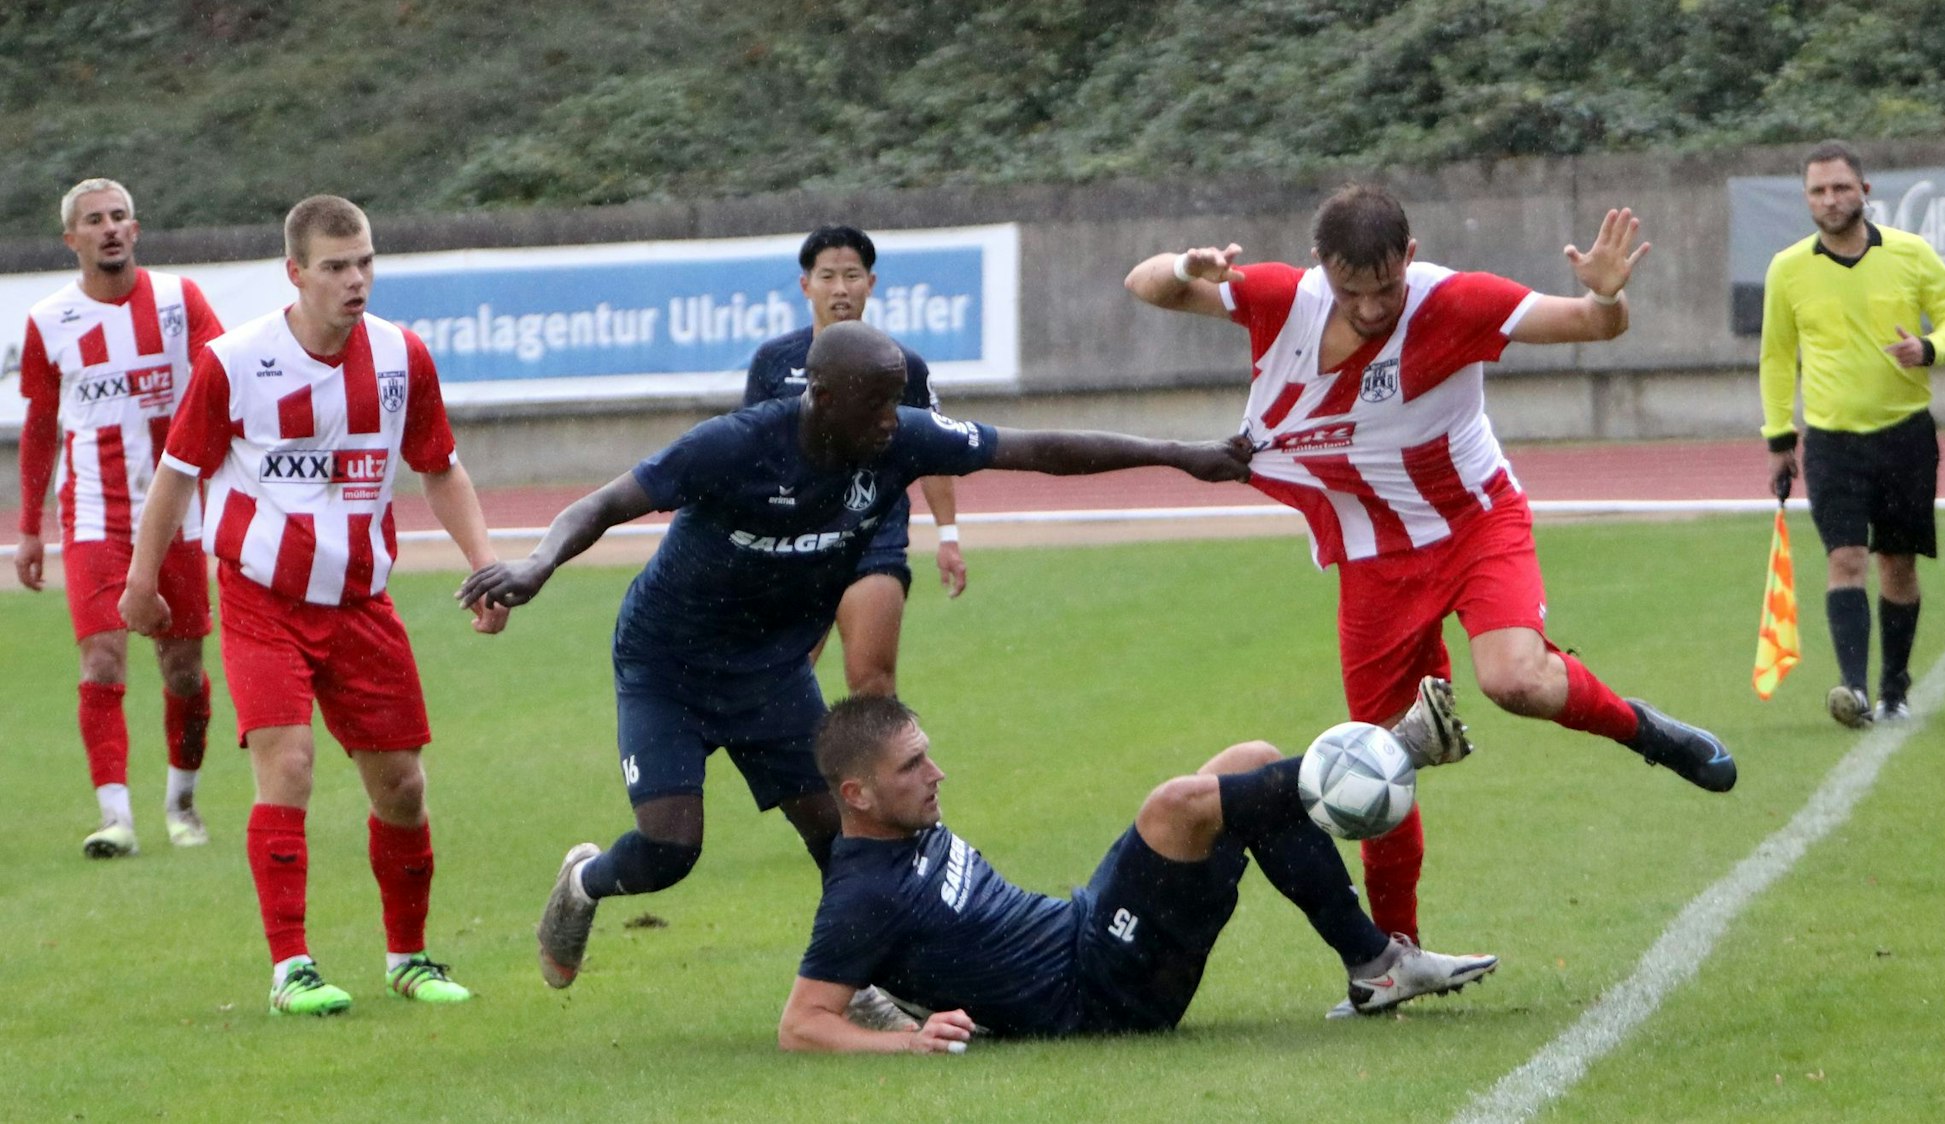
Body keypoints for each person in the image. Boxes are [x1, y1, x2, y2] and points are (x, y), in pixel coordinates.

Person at [456, 320, 1251, 1011]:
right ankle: (584, 883)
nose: (891, 419)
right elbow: (601, 504)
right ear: (823, 397)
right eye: (875, 403)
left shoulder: (898, 438)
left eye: (896, 400)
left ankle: (857, 983)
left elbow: (1037, 449)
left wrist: (1181, 454)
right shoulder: (736, 444)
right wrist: (536, 564)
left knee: (846, 835)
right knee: (670, 848)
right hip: (667, 662)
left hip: (769, 670)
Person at [1124, 184, 1737, 959]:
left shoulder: (1454, 302)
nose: (1370, 308)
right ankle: (1398, 957)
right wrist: (1188, 265)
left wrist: (1606, 297)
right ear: (1321, 267)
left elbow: (1590, 324)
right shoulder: (1282, 298)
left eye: (1386, 288)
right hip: (1372, 558)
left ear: (1408, 259)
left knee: (1514, 680)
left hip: (1473, 524)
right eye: (1351, 291)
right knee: (1378, 757)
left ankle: (1644, 731)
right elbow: (1145, 283)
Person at [120, 195, 508, 1016]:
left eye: (365, 261)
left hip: (362, 604)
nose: (355, 279)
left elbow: (439, 466)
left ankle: (408, 959)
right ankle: (290, 967)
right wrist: (142, 579)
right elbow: (177, 475)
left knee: (402, 787)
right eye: (336, 267)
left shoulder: (402, 357)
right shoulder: (235, 361)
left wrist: (486, 568)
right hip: (262, 600)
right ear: (294, 273)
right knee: (288, 765)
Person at [776, 693, 1499, 1052]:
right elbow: (800, 1024)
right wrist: (904, 1040)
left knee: (1246, 762)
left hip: (1088, 932)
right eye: (912, 766)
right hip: (1099, 996)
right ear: (856, 795)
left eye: (926, 755)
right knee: (1175, 806)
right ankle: (1398, 749)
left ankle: (1373, 967)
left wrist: (884, 996)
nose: (936, 774)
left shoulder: (904, 826)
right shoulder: (860, 892)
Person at [14, 178, 223, 858]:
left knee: (182, 670)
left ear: (135, 230)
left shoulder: (179, 300)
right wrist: (28, 527)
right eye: (94, 220)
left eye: (119, 217)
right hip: (94, 515)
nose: (108, 227)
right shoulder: (50, 320)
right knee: (102, 661)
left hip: (177, 515)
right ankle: (116, 820)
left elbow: (226, 381)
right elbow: (40, 425)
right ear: (71, 239)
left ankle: (182, 805)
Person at [1759, 140, 1945, 729]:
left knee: (1898, 565)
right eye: (1818, 190)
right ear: (1807, 199)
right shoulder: (1788, 269)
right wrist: (1779, 438)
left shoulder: (1910, 253)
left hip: (1905, 435)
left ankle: (1893, 691)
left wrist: (1929, 347)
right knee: (1845, 558)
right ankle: (1852, 689)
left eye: (1840, 187)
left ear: (1864, 191)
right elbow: (1776, 357)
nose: (1830, 199)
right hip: (1832, 443)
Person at [743, 225, 967, 697]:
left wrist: (948, 536)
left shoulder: (902, 366)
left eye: (852, 275)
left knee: (872, 685)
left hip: (872, 535)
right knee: (778, 685)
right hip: (793, 541)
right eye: (827, 276)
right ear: (806, 285)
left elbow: (936, 450)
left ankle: (879, 751)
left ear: (871, 283)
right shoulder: (773, 361)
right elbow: (750, 454)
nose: (840, 289)